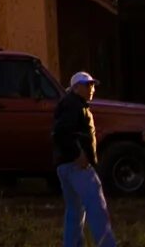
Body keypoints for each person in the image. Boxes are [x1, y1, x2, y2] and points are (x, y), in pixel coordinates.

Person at [56, 70, 120, 247]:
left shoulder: (69, 104)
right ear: (76, 87)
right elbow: (61, 132)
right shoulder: (74, 105)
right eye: (87, 85)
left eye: (92, 85)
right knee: (96, 206)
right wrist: (78, 154)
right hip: (77, 166)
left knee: (74, 211)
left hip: (64, 165)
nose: (92, 88)